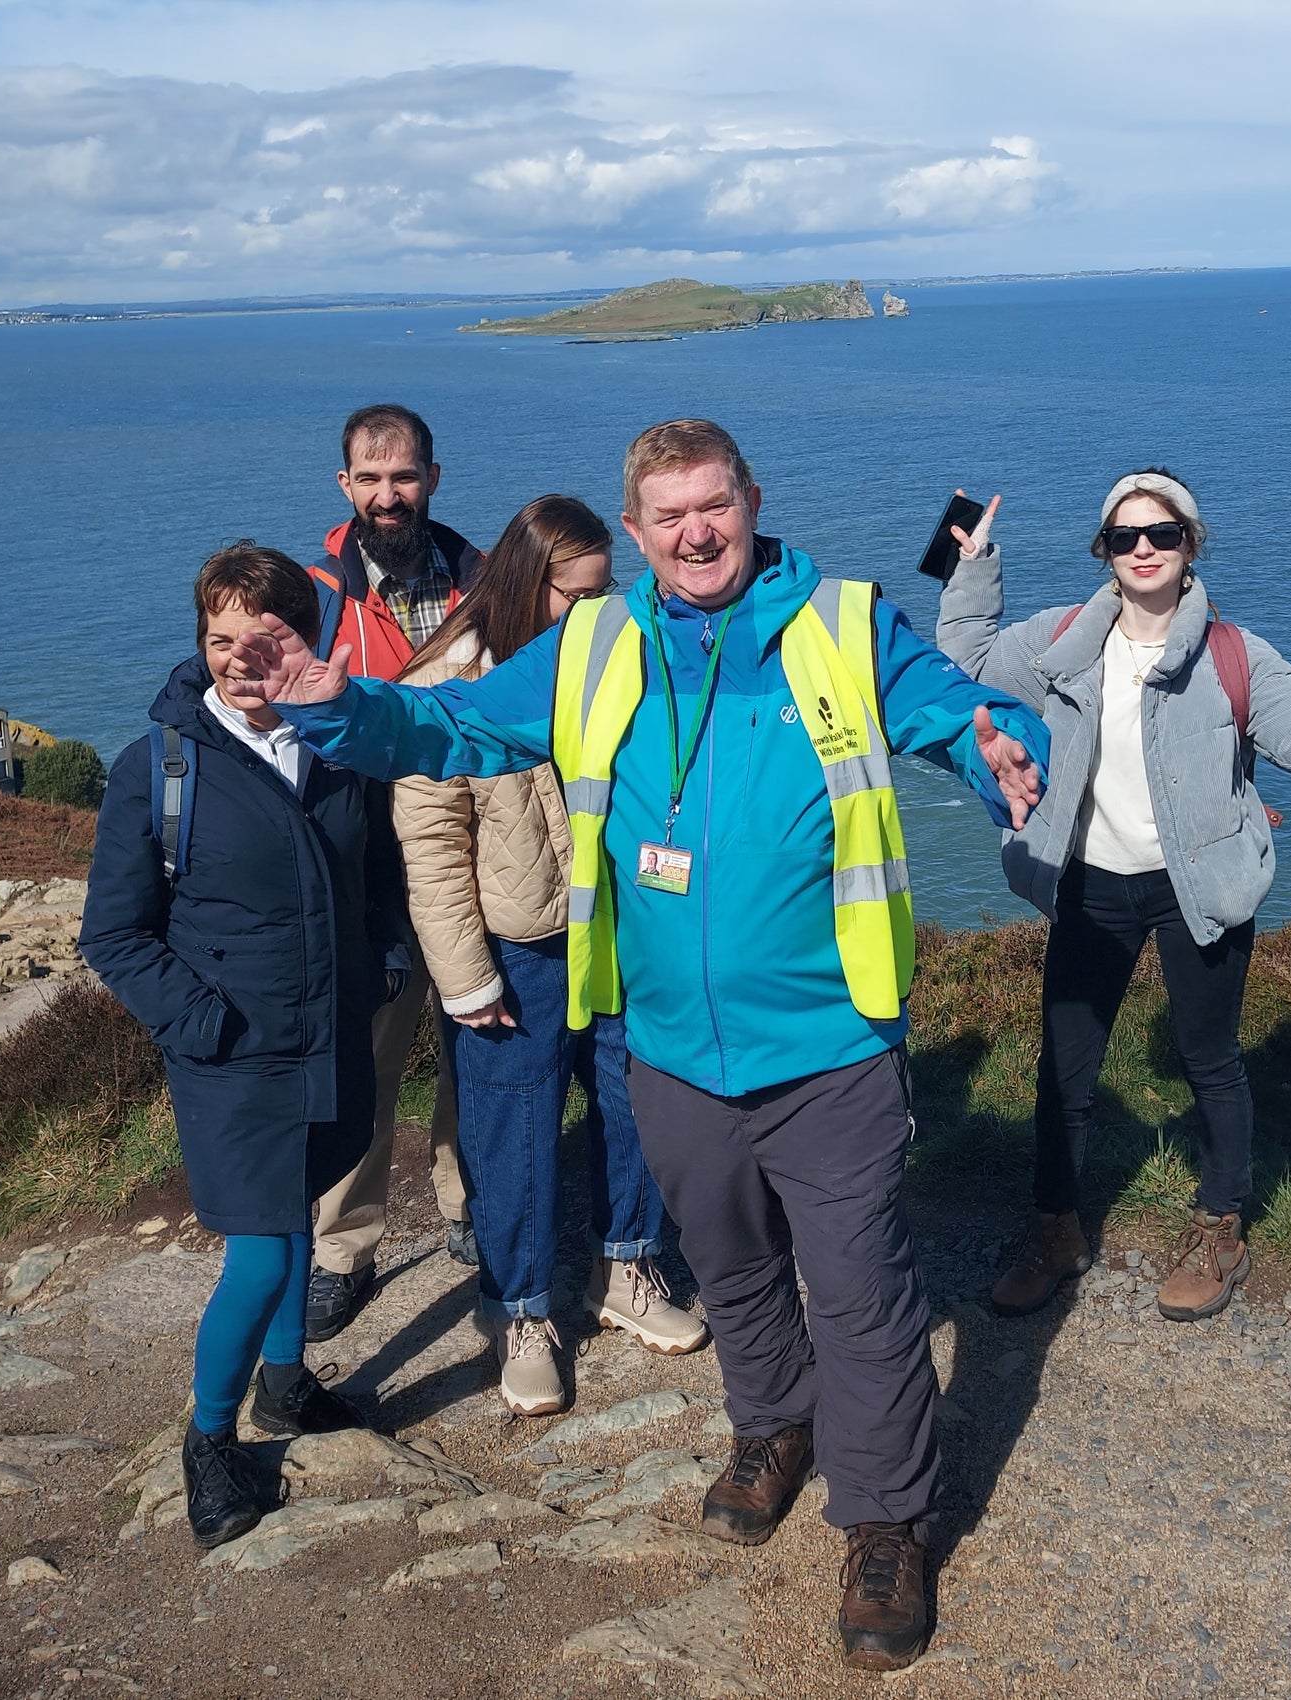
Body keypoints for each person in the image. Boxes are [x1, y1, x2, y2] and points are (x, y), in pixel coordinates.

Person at [225, 419, 1050, 1673]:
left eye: (712, 506)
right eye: (666, 517)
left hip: (828, 1041)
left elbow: (961, 710)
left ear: (751, 499)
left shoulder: (841, 624)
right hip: (665, 1047)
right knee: (729, 1266)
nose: (695, 533)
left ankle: (884, 1522)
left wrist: (1007, 750)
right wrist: (342, 706)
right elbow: (455, 731)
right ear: (641, 526)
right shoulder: (594, 642)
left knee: (867, 1292)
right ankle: (774, 1426)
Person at [935, 469, 1291, 1321]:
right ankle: (1056, 1231)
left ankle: (1221, 1227)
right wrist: (973, 565)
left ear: (1190, 546)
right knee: (1064, 1075)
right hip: (1087, 885)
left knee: (1210, 1063)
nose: (1143, 549)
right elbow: (958, 665)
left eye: (1163, 534)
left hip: (1198, 889)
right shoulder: (1060, 638)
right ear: (1105, 551)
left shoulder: (1233, 655)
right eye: (1124, 536)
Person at [80, 545, 406, 1548]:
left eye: (262, 637)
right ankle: (210, 1439)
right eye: (218, 639)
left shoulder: (340, 743)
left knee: (306, 1208)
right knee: (264, 1254)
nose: (238, 659)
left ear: (303, 639)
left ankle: (285, 1384)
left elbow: (378, 874)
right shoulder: (160, 769)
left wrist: (386, 962)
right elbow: (114, 931)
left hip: (330, 1029)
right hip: (231, 1054)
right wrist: (201, 1022)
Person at [392, 494, 707, 1417]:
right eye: (583, 592)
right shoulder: (448, 686)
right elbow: (433, 843)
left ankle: (628, 1268)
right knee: (512, 1134)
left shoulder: (614, 660)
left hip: (614, 926)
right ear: (533, 585)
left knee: (633, 1104)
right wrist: (464, 977)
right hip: (513, 946)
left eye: (610, 588)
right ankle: (518, 1310)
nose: (604, 608)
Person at [302, 403, 485, 1342]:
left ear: (433, 478)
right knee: (365, 1066)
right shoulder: (312, 594)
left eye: (403, 477)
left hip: (470, 853)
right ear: (345, 487)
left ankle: (468, 1204)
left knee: (477, 1041)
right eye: (369, 480)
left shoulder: (489, 582)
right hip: (365, 868)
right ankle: (344, 1249)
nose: (388, 496)